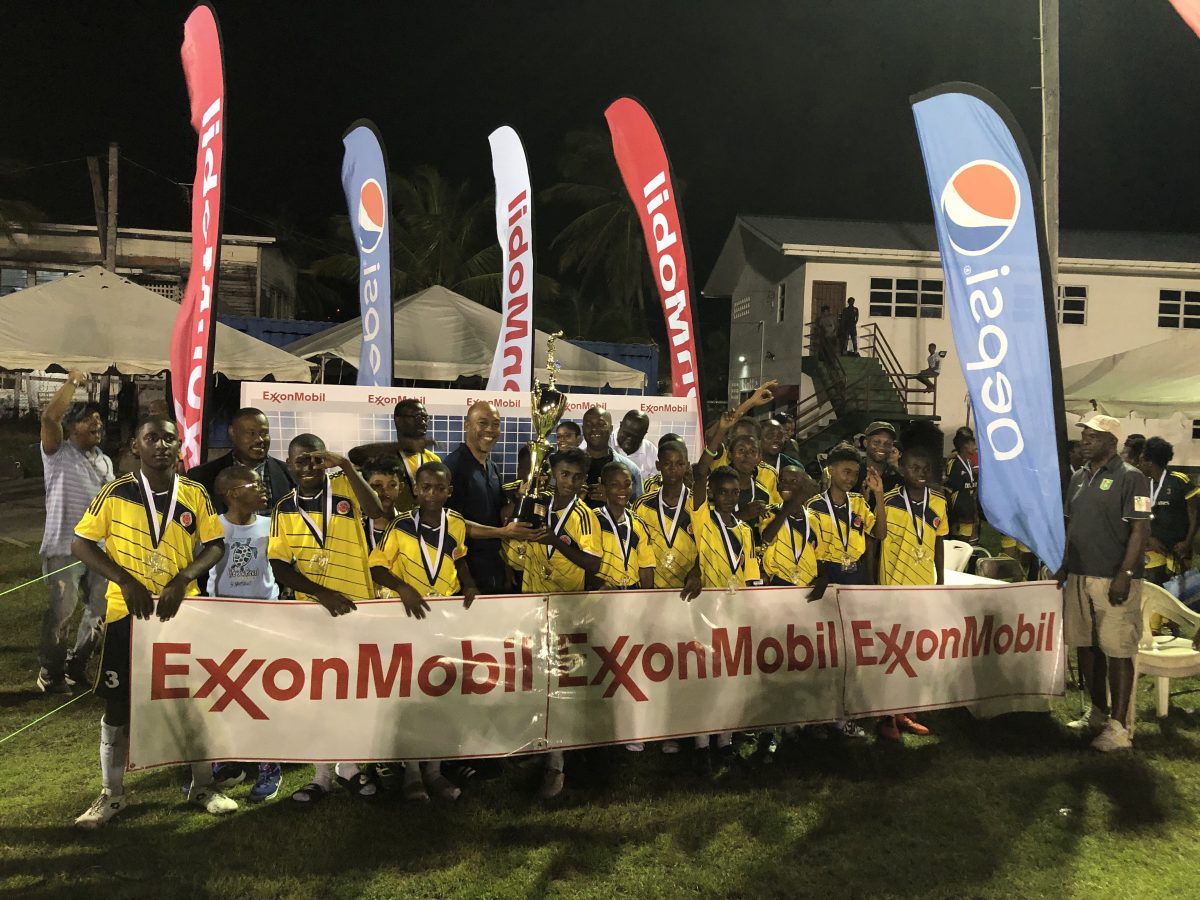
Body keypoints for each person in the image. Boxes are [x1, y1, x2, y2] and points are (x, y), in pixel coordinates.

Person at [71, 416, 228, 828]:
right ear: (135, 446)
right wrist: (124, 580)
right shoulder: (116, 493)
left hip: (181, 613)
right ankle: (112, 795)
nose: (161, 445)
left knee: (193, 699)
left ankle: (203, 785)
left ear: (180, 447)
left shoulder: (194, 493)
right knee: (119, 703)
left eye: (168, 439)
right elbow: (81, 543)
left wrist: (184, 578)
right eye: (151, 438)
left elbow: (214, 545)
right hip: (129, 616)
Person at [267, 433, 384, 803]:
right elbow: (279, 566)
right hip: (314, 615)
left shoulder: (346, 490)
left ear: (325, 460)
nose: (308, 468)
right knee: (318, 695)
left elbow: (377, 509)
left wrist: (346, 466)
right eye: (300, 461)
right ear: (289, 465)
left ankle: (348, 766)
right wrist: (321, 593)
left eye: (315, 459)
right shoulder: (283, 509)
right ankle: (320, 776)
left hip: (357, 609)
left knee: (353, 693)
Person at [369, 461, 478, 803]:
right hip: (408, 618)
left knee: (441, 695)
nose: (432, 494)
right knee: (411, 697)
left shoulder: (456, 522)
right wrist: (403, 588)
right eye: (426, 487)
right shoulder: (400, 526)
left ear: (449, 491)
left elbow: (458, 556)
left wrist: (470, 583)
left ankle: (435, 770)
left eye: (439, 488)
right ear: (414, 490)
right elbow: (376, 567)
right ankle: (413, 773)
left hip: (443, 619)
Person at [507, 448, 601, 798]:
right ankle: (537, 747)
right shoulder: (535, 508)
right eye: (564, 474)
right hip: (532, 606)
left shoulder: (586, 516)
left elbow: (592, 564)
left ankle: (557, 764)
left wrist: (556, 544)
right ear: (552, 474)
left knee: (560, 689)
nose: (570, 482)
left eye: (577, 478)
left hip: (566, 609)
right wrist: (515, 533)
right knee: (535, 683)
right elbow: (516, 560)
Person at [1058, 414, 1151, 752]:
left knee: (1118, 651)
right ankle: (1098, 712)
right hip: (1080, 576)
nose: (1084, 440)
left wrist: (1124, 575)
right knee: (1087, 647)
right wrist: (1066, 565)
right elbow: (1071, 525)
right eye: (1083, 435)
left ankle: (1121, 726)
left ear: (1111, 442)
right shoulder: (1078, 478)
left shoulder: (1132, 479)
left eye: (1092, 436)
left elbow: (1140, 530)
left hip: (1113, 578)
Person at [207, 464, 284, 803]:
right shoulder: (212, 528)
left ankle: (271, 764)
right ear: (234, 492)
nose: (263, 486)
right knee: (225, 694)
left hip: (266, 619)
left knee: (266, 693)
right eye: (254, 483)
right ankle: (227, 761)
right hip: (223, 622)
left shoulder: (272, 525)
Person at [37, 372, 115, 694]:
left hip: (98, 550)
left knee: (100, 609)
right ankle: (50, 672)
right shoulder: (57, 453)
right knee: (62, 611)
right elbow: (49, 416)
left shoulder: (105, 462)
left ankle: (76, 665)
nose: (96, 423)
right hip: (64, 548)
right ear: (71, 427)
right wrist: (72, 382)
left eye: (98, 419)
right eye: (87, 419)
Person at [876, 444, 948, 742]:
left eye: (925, 469)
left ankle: (904, 710)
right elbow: (874, 543)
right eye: (914, 468)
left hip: (923, 589)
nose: (921, 473)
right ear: (902, 469)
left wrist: (940, 582)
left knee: (913, 653)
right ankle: (885, 717)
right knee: (891, 655)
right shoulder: (889, 502)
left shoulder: (940, 502)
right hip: (892, 589)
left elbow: (940, 540)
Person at [443, 401, 512, 593]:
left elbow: (498, 516)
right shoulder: (453, 468)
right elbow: (451, 525)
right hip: (467, 573)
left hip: (493, 567)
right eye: (482, 423)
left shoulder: (493, 467)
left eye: (496, 424)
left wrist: (523, 497)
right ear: (467, 425)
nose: (490, 429)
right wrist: (502, 533)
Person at [188, 407, 295, 515]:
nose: (260, 440)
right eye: (251, 433)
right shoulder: (201, 477)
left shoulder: (291, 474)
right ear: (232, 432)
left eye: (264, 433)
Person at [810, 445, 887, 588]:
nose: (851, 478)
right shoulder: (815, 506)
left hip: (855, 571)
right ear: (831, 470)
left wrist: (879, 493)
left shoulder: (858, 502)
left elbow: (880, 534)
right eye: (846, 472)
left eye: (856, 474)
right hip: (826, 571)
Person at [348, 398, 440, 513]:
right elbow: (355, 454)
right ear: (398, 420)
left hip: (420, 524)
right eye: (417, 417)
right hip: (387, 524)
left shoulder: (433, 460)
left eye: (425, 417)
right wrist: (406, 445)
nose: (423, 422)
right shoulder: (382, 458)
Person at [633, 439, 698, 590]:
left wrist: (697, 572)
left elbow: (707, 544)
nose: (673, 469)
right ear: (658, 465)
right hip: (651, 587)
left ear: (687, 466)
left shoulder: (697, 505)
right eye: (667, 463)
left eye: (679, 464)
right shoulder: (642, 504)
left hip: (687, 587)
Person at [1135, 437, 1198, 587]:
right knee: (1154, 588)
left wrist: (1187, 542)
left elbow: (1194, 513)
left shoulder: (1180, 481)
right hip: (1153, 547)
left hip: (1179, 549)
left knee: (1177, 591)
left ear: (1150, 462)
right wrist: (1150, 538)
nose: (1139, 464)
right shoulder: (1142, 484)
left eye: (1142, 460)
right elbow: (1140, 515)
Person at [591, 462, 656, 592]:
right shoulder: (592, 520)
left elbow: (646, 568)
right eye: (615, 485)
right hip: (600, 594)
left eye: (627, 484)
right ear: (603, 488)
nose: (622, 489)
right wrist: (598, 583)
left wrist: (647, 599)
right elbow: (583, 563)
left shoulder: (639, 523)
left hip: (632, 596)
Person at [581, 407, 643, 506]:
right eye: (588, 424)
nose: (594, 429)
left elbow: (639, 512)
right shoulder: (569, 467)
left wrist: (612, 499)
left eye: (601, 424)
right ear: (582, 429)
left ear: (610, 429)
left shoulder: (631, 469)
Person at [945, 427, 980, 545]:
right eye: (972, 444)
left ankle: (967, 556)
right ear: (965, 446)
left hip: (969, 503)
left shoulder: (969, 463)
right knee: (960, 537)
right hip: (959, 505)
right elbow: (949, 485)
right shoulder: (954, 463)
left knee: (968, 534)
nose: (975, 446)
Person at [361, 456, 402, 551]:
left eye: (392, 485)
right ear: (365, 488)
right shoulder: (357, 526)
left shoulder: (409, 526)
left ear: (401, 488)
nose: (385, 491)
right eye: (377, 485)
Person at [613, 410, 658, 481]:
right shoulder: (605, 443)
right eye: (627, 434)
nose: (630, 439)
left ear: (644, 434)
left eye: (636, 437)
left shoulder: (651, 451)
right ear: (621, 425)